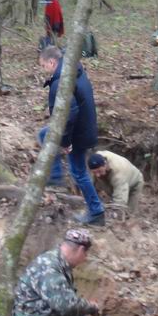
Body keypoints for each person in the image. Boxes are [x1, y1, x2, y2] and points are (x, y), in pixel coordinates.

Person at [12, 229, 101, 316]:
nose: (85, 259)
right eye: (86, 254)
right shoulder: (49, 267)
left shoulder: (62, 269)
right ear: (80, 250)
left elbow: (72, 312)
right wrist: (90, 307)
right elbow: (65, 305)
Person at [39, 46, 104, 226]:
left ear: (52, 62)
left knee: (79, 173)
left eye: (43, 65)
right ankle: (56, 175)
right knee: (44, 134)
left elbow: (70, 114)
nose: (43, 69)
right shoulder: (74, 71)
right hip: (84, 128)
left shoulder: (62, 82)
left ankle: (96, 211)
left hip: (78, 134)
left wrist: (66, 142)